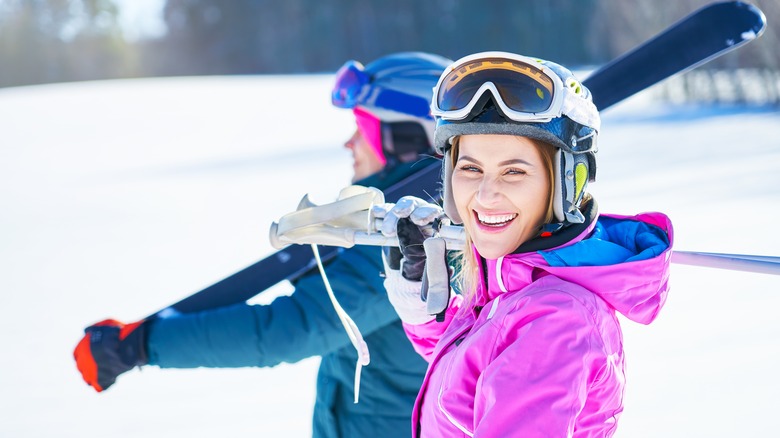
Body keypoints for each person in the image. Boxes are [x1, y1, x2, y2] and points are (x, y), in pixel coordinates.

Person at [73, 52, 453, 438]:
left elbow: (289, 330)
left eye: (361, 127)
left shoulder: (412, 241)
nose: (349, 142)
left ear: (406, 137)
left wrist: (141, 345)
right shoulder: (404, 221)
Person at [376, 51, 673, 437]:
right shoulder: (514, 286)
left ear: (567, 182)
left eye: (513, 171)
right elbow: (470, 382)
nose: (485, 195)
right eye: (470, 168)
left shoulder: (554, 319)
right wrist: (419, 299)